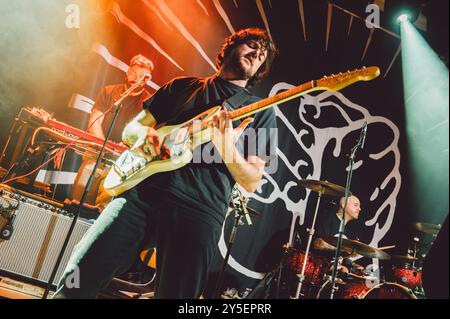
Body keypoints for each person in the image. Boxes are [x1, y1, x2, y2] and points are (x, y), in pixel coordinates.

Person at [54, 28, 278, 299]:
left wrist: (227, 148)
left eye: (262, 56)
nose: (256, 55)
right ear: (230, 46)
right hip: (142, 193)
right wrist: (146, 136)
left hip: (200, 210)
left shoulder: (259, 112)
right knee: (81, 270)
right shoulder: (181, 86)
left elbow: (252, 181)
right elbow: (130, 131)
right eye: (252, 46)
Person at [70, 55, 154, 207]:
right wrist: (104, 145)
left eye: (142, 76)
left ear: (147, 79)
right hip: (96, 152)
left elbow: (145, 133)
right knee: (77, 200)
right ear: (128, 72)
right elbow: (95, 120)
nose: (136, 78)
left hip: (122, 159)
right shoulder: (109, 92)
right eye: (134, 73)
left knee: (102, 206)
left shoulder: (149, 102)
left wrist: (123, 147)